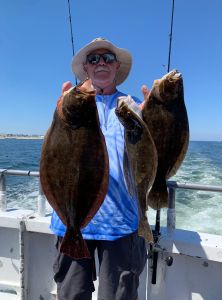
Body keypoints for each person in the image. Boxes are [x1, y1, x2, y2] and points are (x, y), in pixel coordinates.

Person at [51, 37, 149, 300]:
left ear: (117, 67)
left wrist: (152, 123)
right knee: (71, 294)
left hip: (122, 222)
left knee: (119, 296)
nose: (101, 63)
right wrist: (62, 109)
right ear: (86, 68)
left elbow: (150, 160)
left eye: (107, 58)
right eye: (93, 59)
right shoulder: (69, 103)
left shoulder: (132, 108)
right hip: (70, 221)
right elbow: (55, 156)